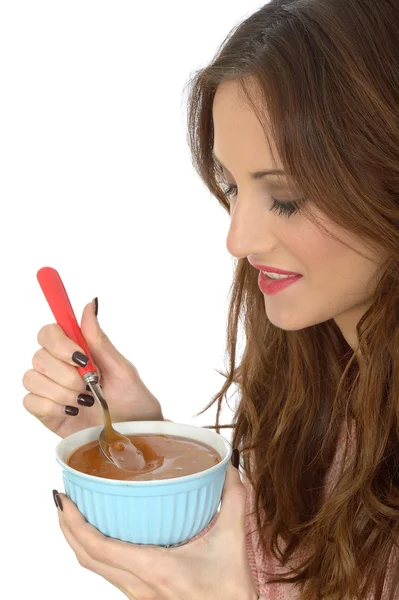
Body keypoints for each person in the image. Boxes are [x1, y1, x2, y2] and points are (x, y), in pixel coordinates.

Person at [22, 0, 399, 598]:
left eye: (286, 197)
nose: (238, 240)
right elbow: (302, 570)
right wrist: (141, 445)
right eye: (230, 186)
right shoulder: (335, 380)